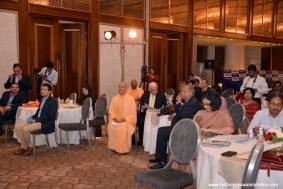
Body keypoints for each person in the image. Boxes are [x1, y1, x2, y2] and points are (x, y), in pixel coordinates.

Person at [149, 85, 200, 169]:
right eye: (181, 92)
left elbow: (184, 114)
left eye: (184, 92)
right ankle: (160, 157)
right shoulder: (189, 100)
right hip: (178, 126)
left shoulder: (193, 102)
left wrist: (179, 102)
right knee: (161, 130)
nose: (182, 94)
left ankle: (163, 161)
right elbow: (182, 112)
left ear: (191, 92)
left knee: (162, 133)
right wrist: (174, 115)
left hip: (183, 130)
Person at [13, 83, 58, 156]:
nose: (42, 91)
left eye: (44, 90)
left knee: (25, 130)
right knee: (17, 127)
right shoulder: (42, 99)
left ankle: (24, 147)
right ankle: (30, 146)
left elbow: (51, 116)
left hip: (45, 123)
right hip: (37, 120)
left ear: (49, 92)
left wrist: (36, 120)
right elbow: (37, 113)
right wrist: (31, 118)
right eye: (41, 89)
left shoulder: (53, 101)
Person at [107, 82, 137, 154]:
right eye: (119, 87)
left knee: (122, 128)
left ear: (126, 88)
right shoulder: (115, 98)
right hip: (116, 120)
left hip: (126, 121)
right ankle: (114, 147)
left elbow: (132, 113)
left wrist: (123, 119)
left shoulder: (130, 99)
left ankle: (123, 149)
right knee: (110, 127)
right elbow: (111, 111)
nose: (120, 88)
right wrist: (114, 118)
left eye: (122, 87)